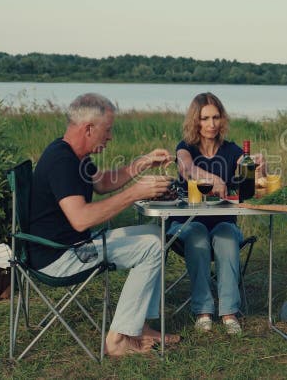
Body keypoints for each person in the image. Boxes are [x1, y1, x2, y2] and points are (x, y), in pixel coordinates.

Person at [28, 92, 180, 357]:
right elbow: (82, 219)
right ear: (89, 128)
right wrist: (135, 193)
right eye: (107, 130)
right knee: (152, 246)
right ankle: (118, 339)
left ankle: (139, 324)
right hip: (60, 256)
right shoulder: (62, 162)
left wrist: (144, 161)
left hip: (72, 247)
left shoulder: (74, 155)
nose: (110, 137)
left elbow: (103, 182)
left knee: (157, 235)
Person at [171, 92, 264, 335]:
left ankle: (229, 312)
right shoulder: (185, 148)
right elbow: (187, 169)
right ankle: (203, 310)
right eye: (204, 118)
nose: (211, 124)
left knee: (226, 237)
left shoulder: (232, 151)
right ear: (195, 120)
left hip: (222, 221)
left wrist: (259, 169)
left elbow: (250, 188)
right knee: (198, 236)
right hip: (186, 222)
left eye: (216, 117)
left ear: (222, 119)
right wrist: (212, 178)